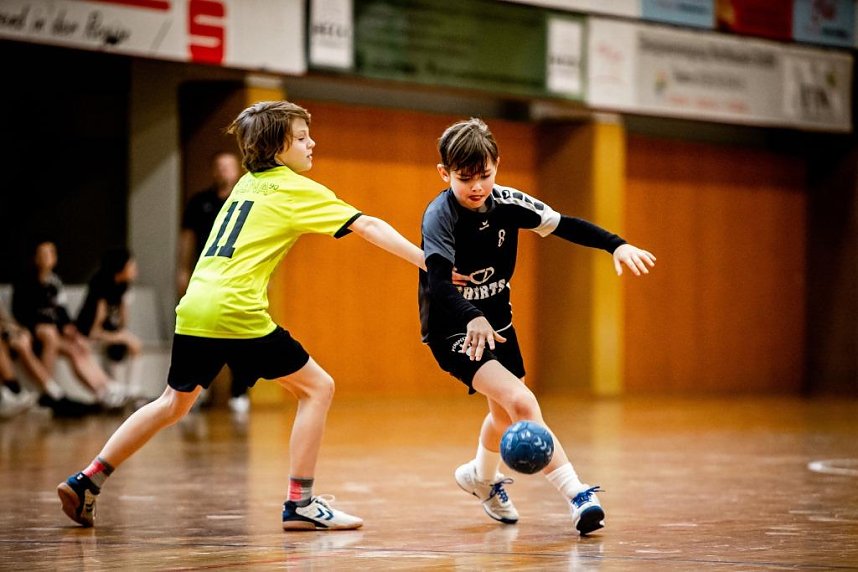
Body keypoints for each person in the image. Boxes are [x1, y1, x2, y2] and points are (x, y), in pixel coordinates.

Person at [58, 100, 427, 531]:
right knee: (317, 388)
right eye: (303, 137)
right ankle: (300, 504)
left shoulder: (247, 184)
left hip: (196, 305)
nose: (313, 143)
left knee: (172, 403)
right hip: (235, 308)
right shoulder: (293, 188)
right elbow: (368, 226)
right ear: (277, 146)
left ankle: (88, 479)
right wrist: (430, 263)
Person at [419, 118, 656, 536]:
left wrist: (616, 244)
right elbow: (438, 285)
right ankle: (578, 495)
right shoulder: (440, 216)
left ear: (497, 165)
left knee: (505, 414)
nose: (477, 186)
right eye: (464, 178)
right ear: (444, 173)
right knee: (522, 402)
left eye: (485, 175)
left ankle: (480, 476)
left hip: (498, 323)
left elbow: (566, 225)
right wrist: (472, 318)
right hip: (453, 328)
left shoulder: (509, 202)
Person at [177, 151, 251, 414]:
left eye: (228, 166)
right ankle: (196, 392)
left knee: (239, 335)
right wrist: (183, 269)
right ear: (213, 171)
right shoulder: (199, 202)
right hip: (204, 279)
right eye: (219, 167)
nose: (224, 171)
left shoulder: (246, 200)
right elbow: (187, 238)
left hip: (237, 279)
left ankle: (239, 391)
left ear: (237, 170)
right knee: (202, 335)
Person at [12, 240, 123, 409]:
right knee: (49, 334)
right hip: (34, 331)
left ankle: (102, 390)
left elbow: (62, 312)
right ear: (35, 258)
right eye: (44, 254)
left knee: (77, 346)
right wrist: (36, 326)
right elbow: (20, 311)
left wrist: (69, 328)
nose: (48, 257)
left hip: (54, 333)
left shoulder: (55, 282)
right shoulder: (24, 282)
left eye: (51, 253)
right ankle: (48, 391)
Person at [76, 247, 144, 404]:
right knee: (127, 343)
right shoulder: (100, 285)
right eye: (131, 265)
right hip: (88, 333)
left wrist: (120, 333)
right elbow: (94, 331)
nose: (135, 269)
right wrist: (117, 336)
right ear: (120, 267)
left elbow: (122, 323)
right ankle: (119, 393)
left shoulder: (123, 287)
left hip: (107, 332)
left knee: (131, 344)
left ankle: (132, 391)